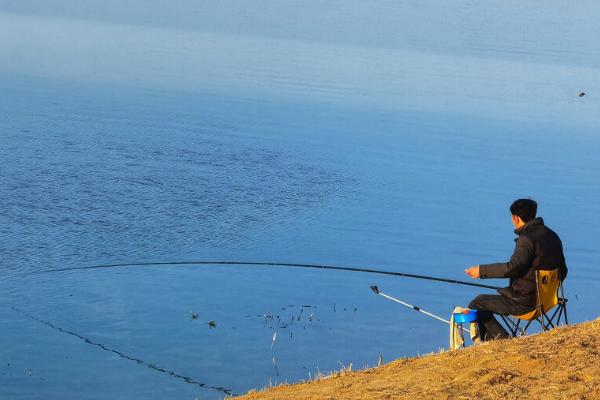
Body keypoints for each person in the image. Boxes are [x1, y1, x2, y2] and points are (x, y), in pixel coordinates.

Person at [464, 198, 568, 340]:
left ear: (516, 218)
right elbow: (563, 271)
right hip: (548, 301)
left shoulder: (526, 239)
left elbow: (512, 268)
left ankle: (504, 341)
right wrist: (545, 289)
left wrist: (481, 271)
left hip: (526, 303)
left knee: (477, 303)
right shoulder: (552, 236)